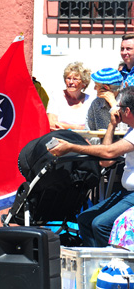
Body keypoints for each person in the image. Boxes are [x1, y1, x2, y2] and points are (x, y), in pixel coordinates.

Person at [48, 86, 134, 247]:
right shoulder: (130, 130)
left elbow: (109, 152)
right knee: (85, 219)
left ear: (127, 110)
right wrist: (112, 125)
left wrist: (71, 147)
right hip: (127, 192)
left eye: (119, 107)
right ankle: (95, 264)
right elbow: (105, 161)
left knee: (101, 224)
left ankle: (112, 265)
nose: (117, 111)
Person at [47, 62, 93, 130]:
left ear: (84, 83)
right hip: (60, 137)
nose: (71, 82)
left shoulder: (90, 100)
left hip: (84, 139)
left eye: (75, 79)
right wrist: (78, 128)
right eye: (68, 78)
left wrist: (64, 127)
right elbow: (51, 124)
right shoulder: (56, 96)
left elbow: (93, 127)